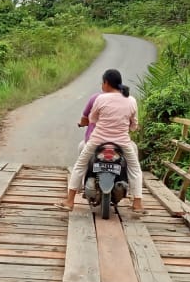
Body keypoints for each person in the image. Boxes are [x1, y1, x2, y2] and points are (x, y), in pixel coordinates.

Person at [56, 69, 144, 214]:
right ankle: (137, 204)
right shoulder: (132, 101)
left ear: (106, 83)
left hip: (98, 140)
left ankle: (70, 201)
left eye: (102, 82)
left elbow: (93, 119)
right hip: (122, 142)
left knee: (80, 165)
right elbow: (133, 126)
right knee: (135, 170)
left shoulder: (100, 99)